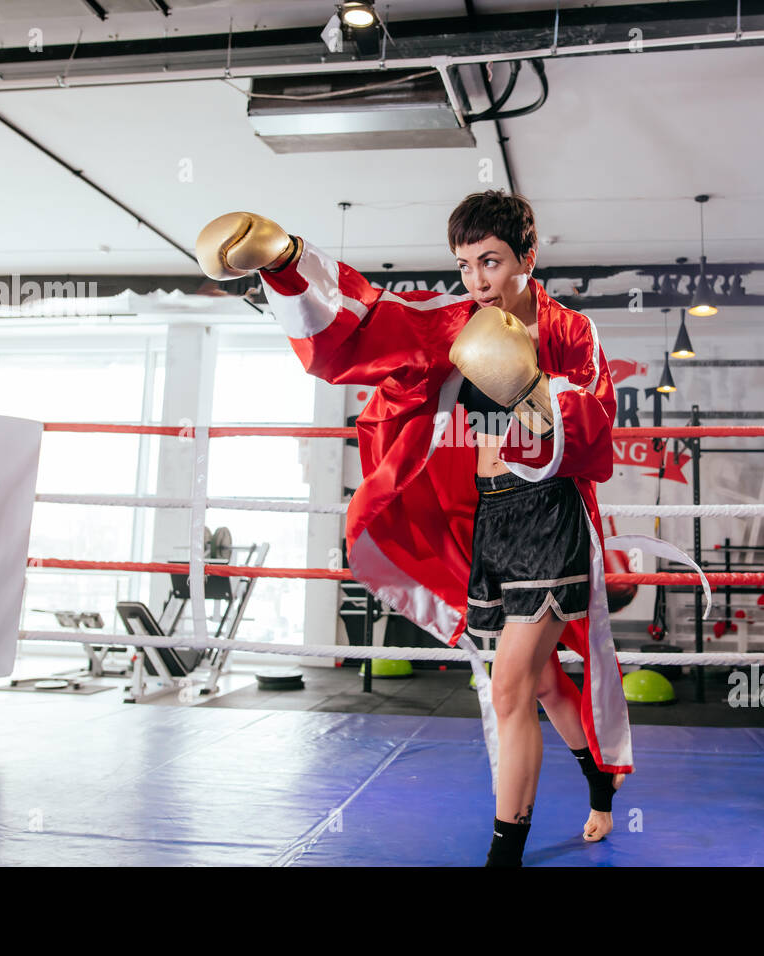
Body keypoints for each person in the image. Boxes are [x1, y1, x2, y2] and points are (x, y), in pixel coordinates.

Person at [197, 190, 630, 867]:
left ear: (528, 256)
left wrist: (532, 390)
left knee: (510, 686)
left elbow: (597, 437)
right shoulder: (453, 321)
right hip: (483, 518)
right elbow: (369, 324)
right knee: (542, 681)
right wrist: (283, 263)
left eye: (491, 261)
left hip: (549, 518)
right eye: (464, 265)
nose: (478, 280)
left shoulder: (571, 332)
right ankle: (600, 783)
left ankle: (503, 855)